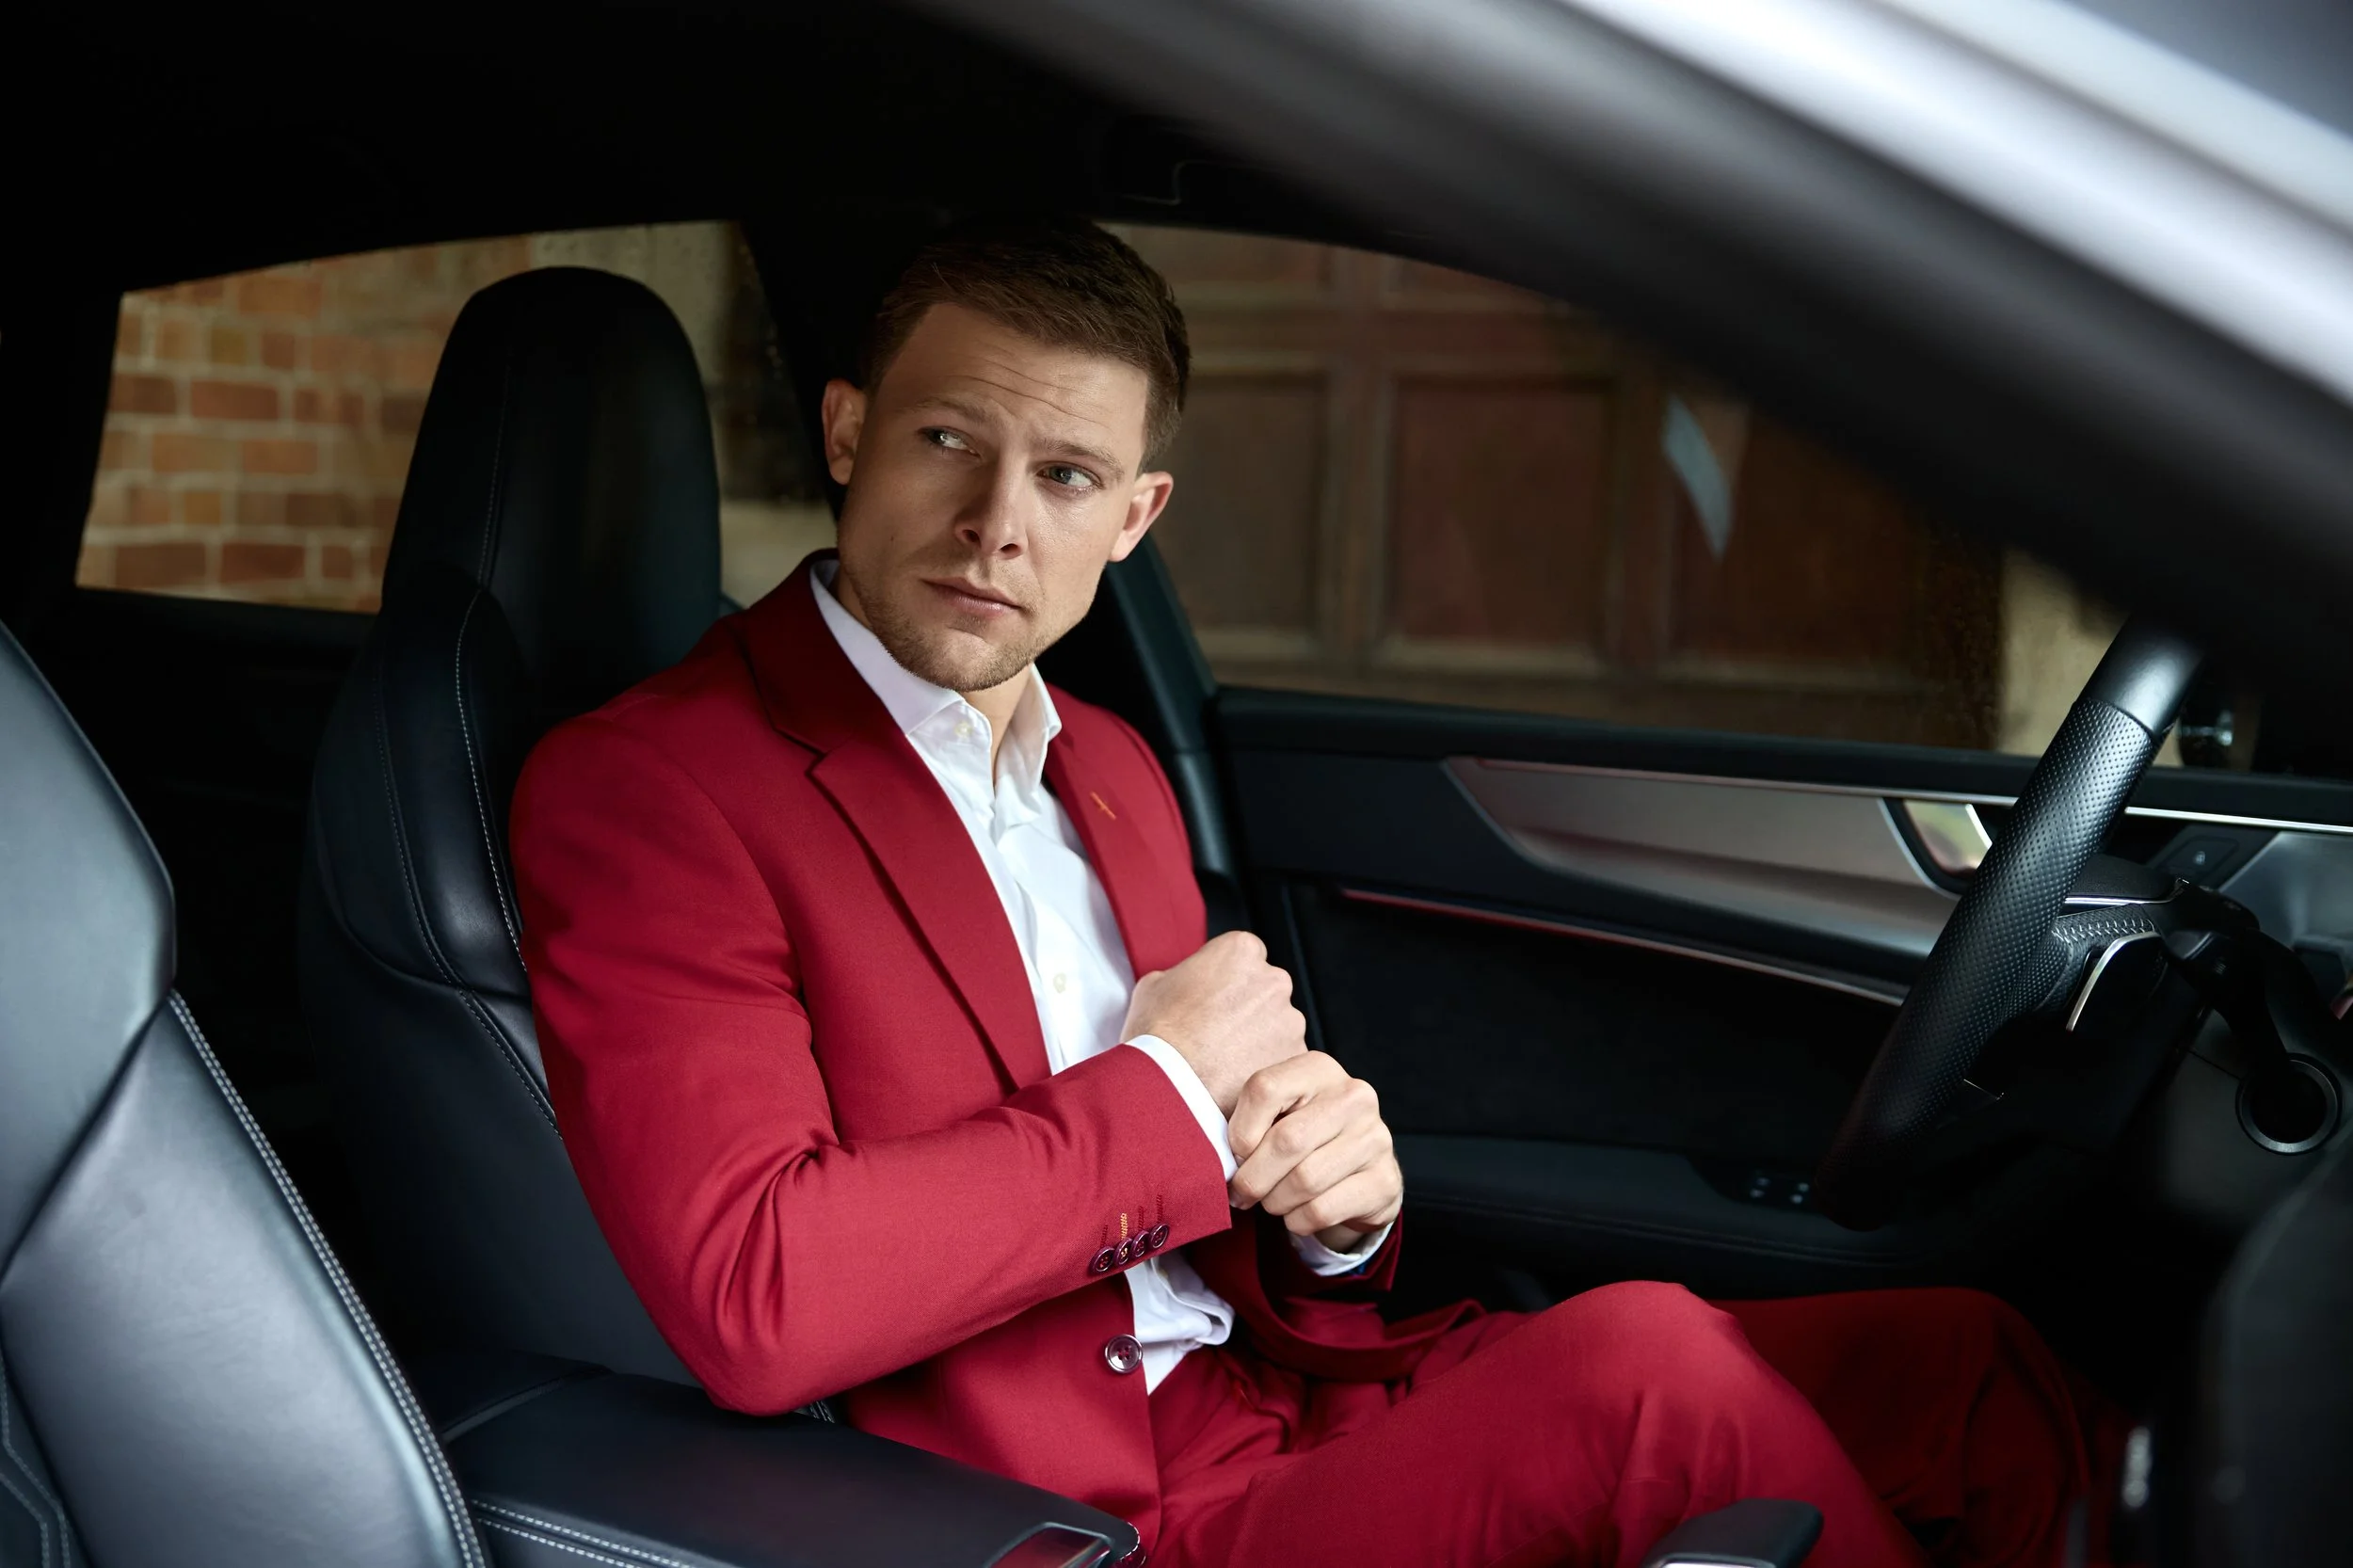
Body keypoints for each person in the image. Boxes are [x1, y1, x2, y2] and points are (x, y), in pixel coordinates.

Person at [509, 218, 2124, 1568]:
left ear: (1133, 517)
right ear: (848, 433)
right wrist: (1167, 1090)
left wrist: (1335, 1223)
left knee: (1963, 1364)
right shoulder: (653, 785)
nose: (998, 525)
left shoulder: (1111, 765)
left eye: (1066, 475)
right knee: (1650, 1380)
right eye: (948, 441)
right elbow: (760, 1291)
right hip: (1083, 1514)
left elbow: (1201, 1196)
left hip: (1297, 1396)